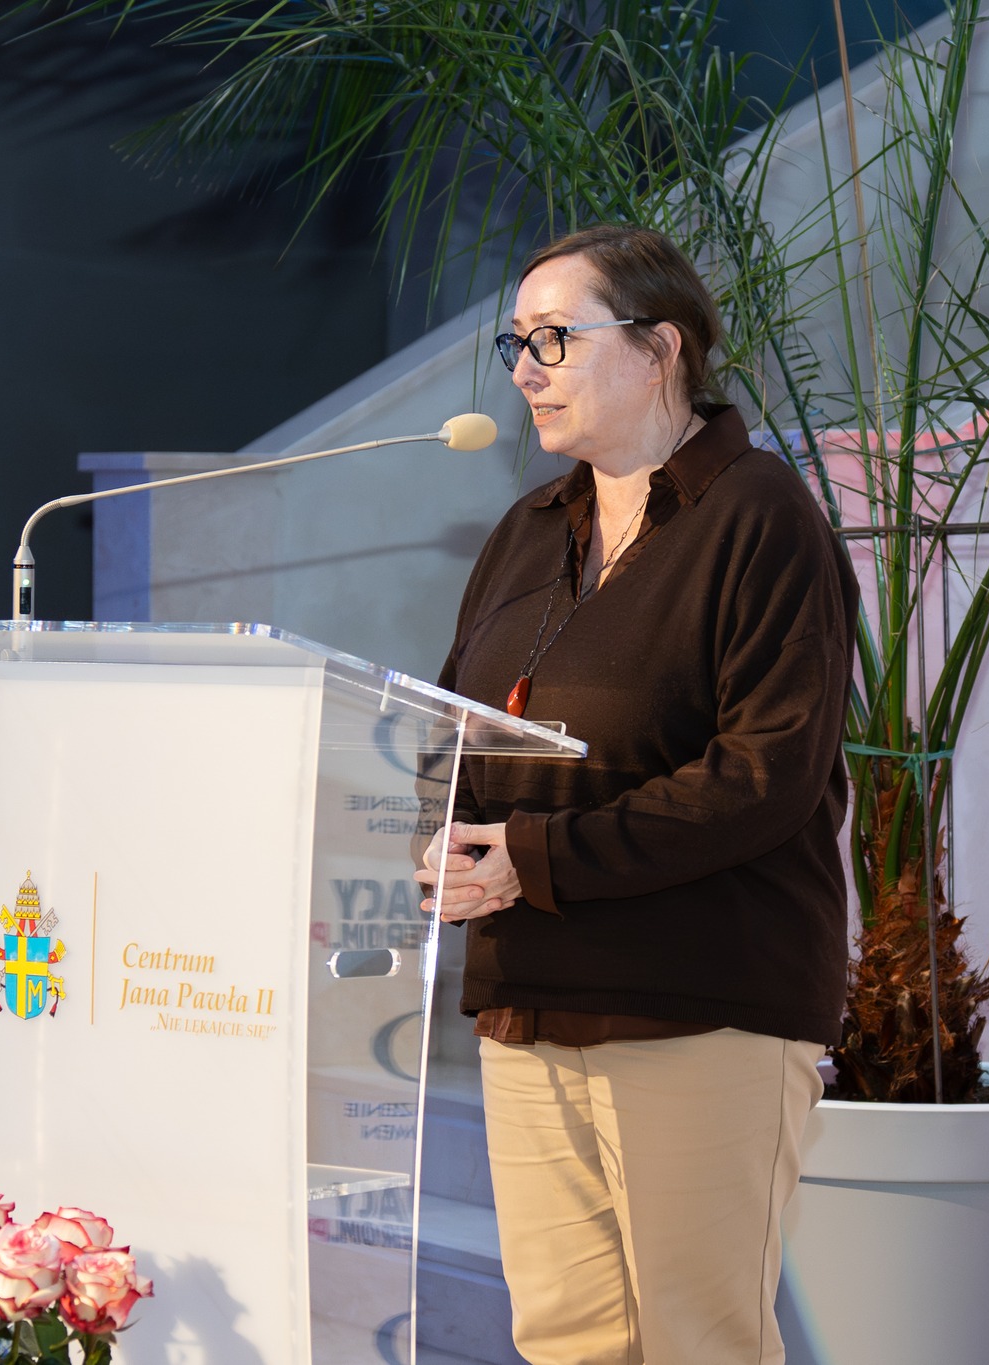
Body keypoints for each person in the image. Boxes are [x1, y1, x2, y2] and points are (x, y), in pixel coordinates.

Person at [413, 223, 857, 1365]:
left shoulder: (761, 518)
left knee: (699, 1341)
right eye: (517, 343)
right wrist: (438, 835)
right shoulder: (526, 532)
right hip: (529, 997)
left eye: (555, 338)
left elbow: (762, 777)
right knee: (568, 1340)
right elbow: (453, 728)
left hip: (699, 1001)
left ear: (660, 349)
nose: (525, 370)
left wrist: (535, 859)